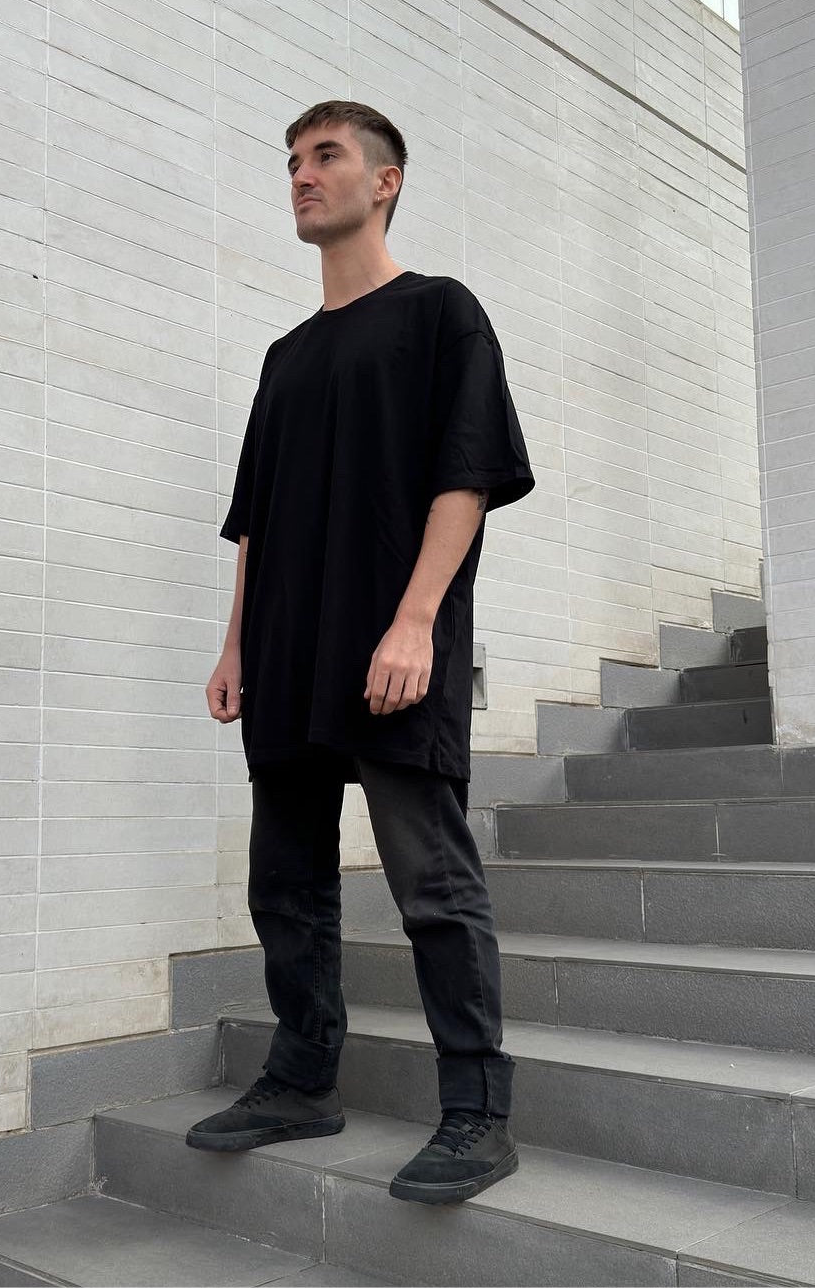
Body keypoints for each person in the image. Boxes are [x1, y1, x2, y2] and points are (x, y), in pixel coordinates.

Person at [186, 100, 536, 1205]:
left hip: (390, 643)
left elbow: (465, 476)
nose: (300, 175)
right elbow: (256, 518)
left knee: (428, 879)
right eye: (290, 160)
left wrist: (415, 618)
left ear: (383, 182)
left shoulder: (441, 315)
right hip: (286, 648)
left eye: (324, 157)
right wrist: (235, 641)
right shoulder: (285, 357)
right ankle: (300, 1079)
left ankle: (476, 1110)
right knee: (282, 883)